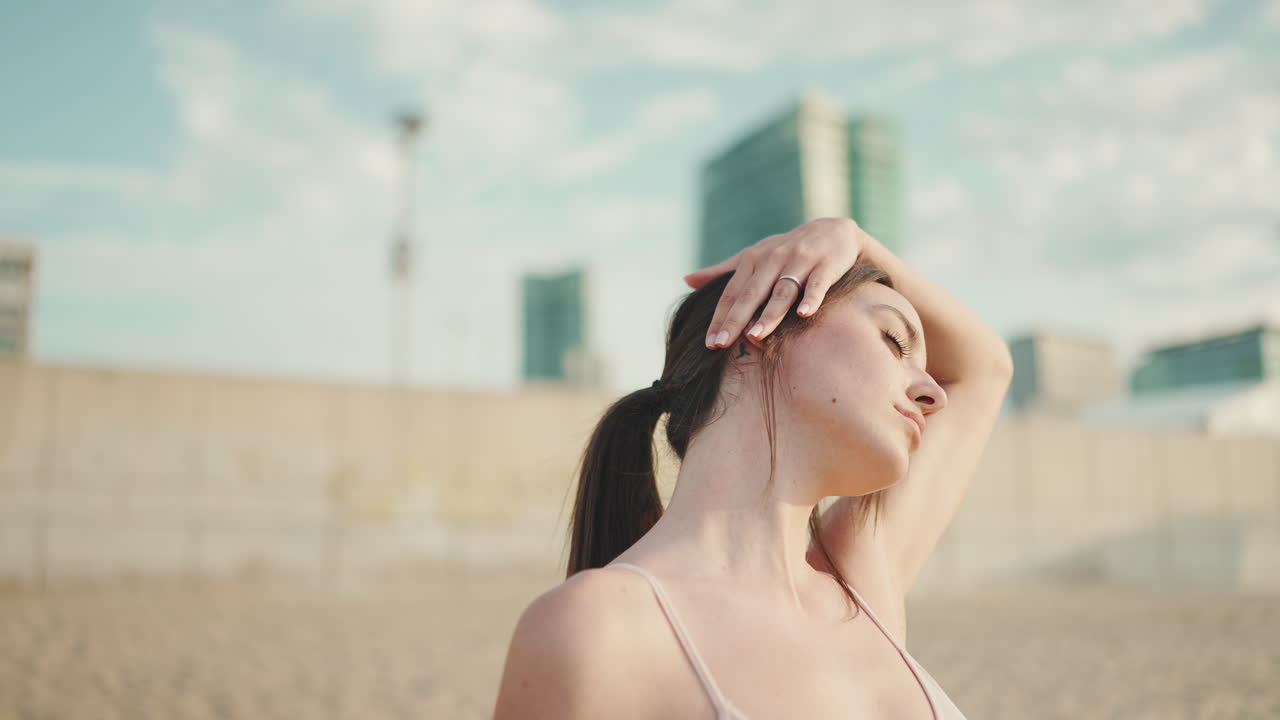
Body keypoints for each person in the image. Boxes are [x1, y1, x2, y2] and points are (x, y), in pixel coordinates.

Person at [493, 217, 1012, 719]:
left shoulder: (861, 588)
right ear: (756, 328)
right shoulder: (597, 630)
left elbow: (985, 367)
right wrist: (850, 246)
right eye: (894, 342)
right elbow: (982, 369)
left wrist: (855, 239)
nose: (932, 393)